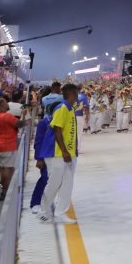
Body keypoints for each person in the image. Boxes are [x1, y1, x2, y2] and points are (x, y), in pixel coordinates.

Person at [39, 84, 79, 225]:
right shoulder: (62, 108)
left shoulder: (70, 108)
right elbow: (57, 130)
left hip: (70, 152)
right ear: (72, 94)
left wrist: (71, 151)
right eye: (77, 94)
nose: (78, 97)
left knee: (68, 183)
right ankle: (44, 211)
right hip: (59, 153)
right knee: (54, 183)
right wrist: (64, 151)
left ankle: (60, 213)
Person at [0, 97, 33, 200]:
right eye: (5, 103)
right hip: (7, 145)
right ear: (2, 105)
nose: (7, 104)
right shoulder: (6, 116)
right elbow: (20, 124)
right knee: (7, 169)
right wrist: (23, 115)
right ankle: (4, 192)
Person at [30, 94, 64, 214]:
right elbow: (38, 142)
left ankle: (49, 203)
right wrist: (39, 159)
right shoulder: (44, 123)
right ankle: (35, 203)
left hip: (59, 156)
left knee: (57, 181)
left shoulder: (62, 121)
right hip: (46, 155)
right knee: (45, 178)